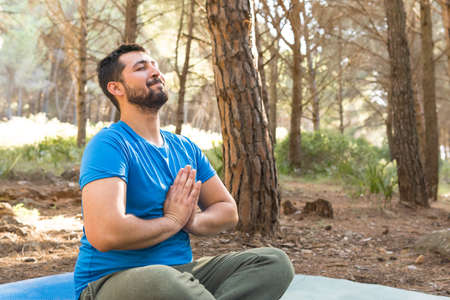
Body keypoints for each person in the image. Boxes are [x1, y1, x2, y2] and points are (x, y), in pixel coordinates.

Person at [74, 43, 294, 300]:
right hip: (112, 282)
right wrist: (172, 222)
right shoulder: (109, 144)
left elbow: (227, 210)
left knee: (272, 262)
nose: (155, 72)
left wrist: (192, 221)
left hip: (179, 278)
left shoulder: (184, 147)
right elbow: (105, 233)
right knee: (161, 279)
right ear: (116, 88)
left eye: (155, 65)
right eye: (141, 68)